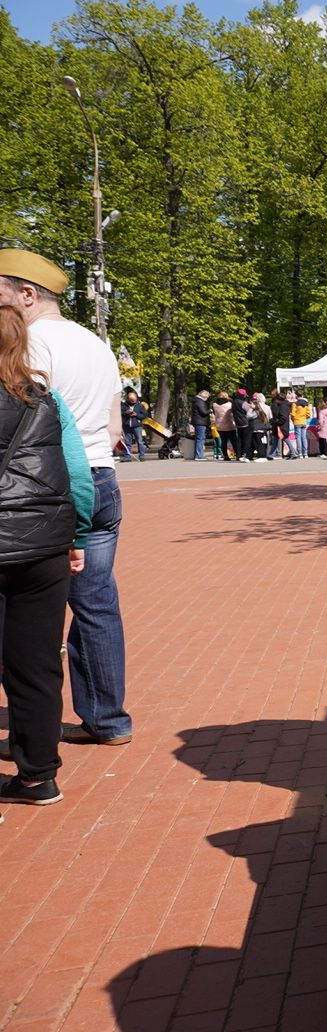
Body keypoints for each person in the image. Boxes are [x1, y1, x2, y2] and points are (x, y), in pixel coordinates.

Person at [3, 249, 134, 748]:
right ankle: (108, 720)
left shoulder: (31, 343)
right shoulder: (95, 343)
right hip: (101, 478)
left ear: (26, 294)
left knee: (30, 614)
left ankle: (34, 738)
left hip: (51, 487)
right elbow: (115, 426)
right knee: (96, 604)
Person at [0, 277, 94, 811]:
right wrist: (76, 536)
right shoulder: (45, 398)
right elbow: (76, 474)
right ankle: (38, 776)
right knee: (36, 665)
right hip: (41, 549)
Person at [117, 388, 147, 462]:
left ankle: (142, 456)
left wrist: (136, 415)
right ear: (128, 399)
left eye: (134, 400)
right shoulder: (124, 405)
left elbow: (144, 415)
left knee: (140, 441)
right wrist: (126, 413)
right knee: (128, 442)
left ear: (136, 398)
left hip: (137, 426)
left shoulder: (140, 406)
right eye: (131, 400)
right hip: (127, 426)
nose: (133, 401)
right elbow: (120, 413)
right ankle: (127, 457)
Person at [211, 394, 236, 460]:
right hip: (229, 424)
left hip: (219, 425)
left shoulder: (214, 405)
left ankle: (225, 456)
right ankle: (237, 454)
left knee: (223, 441)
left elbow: (214, 413)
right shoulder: (230, 404)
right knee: (234, 441)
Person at [190, 387, 211, 461]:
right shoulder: (200, 401)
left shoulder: (196, 400)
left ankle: (197, 455)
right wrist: (210, 410)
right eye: (207, 397)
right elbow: (204, 412)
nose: (207, 399)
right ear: (204, 396)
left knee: (198, 439)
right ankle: (199, 456)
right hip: (200, 422)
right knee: (200, 439)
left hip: (197, 422)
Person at [290, 392, 312, 459]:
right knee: (304, 438)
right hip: (304, 422)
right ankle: (305, 453)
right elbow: (308, 415)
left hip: (297, 421)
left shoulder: (295, 404)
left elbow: (293, 414)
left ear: (296, 396)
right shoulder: (306, 404)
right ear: (302, 396)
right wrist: (304, 418)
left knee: (298, 438)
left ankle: (300, 453)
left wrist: (293, 420)